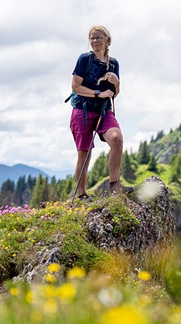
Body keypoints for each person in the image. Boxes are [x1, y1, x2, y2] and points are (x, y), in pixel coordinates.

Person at [69, 25, 133, 199]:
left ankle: (115, 186)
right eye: (92, 38)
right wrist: (98, 93)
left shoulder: (113, 63)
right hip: (82, 110)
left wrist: (117, 83)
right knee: (85, 153)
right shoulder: (84, 59)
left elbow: (114, 93)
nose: (95, 41)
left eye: (98, 37)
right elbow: (75, 86)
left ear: (107, 40)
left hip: (104, 111)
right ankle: (82, 196)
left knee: (116, 138)